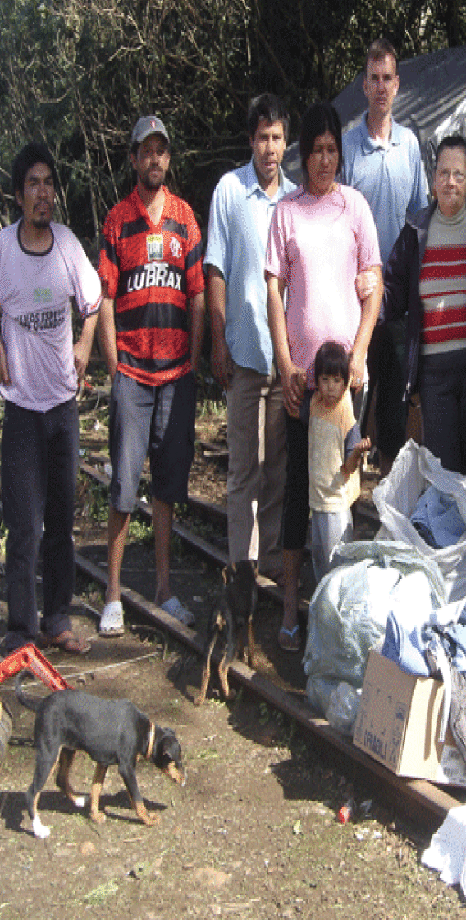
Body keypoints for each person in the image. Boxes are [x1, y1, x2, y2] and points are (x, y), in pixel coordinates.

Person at [0, 142, 101, 655]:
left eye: (48, 183)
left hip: (62, 407)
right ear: (19, 196)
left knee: (61, 522)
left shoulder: (67, 246)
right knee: (24, 527)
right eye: (33, 185)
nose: (43, 194)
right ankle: (21, 632)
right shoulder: (1, 251)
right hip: (21, 408)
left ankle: (57, 621)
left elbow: (93, 299)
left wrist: (85, 344)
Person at [266, 102, 382, 652]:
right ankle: (293, 606)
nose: (324, 160)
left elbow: (373, 286)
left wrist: (359, 352)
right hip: (304, 385)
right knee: (299, 492)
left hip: (347, 385)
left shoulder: (355, 207)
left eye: (332, 150)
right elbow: (274, 291)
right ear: (303, 154)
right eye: (315, 150)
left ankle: (342, 612)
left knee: (346, 488)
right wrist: (285, 363)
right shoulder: (286, 212)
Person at [97, 115, 205, 635]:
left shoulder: (185, 217)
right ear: (134, 159)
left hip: (176, 372)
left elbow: (198, 294)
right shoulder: (118, 220)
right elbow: (105, 297)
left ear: (168, 158)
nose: (155, 159)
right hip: (133, 373)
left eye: (162, 150)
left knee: (166, 485)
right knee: (123, 484)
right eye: (147, 151)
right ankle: (113, 595)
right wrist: (113, 366)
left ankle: (164, 589)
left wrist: (195, 362)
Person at [205, 94, 295, 582]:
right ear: (250, 141)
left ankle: (274, 559)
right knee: (244, 467)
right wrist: (217, 340)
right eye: (262, 138)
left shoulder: (296, 200)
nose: (270, 148)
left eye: (277, 138)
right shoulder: (229, 191)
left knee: (277, 465)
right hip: (242, 351)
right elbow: (215, 269)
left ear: (286, 142)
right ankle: (242, 564)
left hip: (284, 356)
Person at [382, 134, 466, 510]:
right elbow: (392, 290)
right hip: (434, 374)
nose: (450, 182)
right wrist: (364, 295)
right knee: (444, 474)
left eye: (458, 174)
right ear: (432, 180)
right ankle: (450, 545)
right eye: (443, 173)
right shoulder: (417, 231)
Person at [342, 37, 429, 475]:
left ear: (397, 85)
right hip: (355, 298)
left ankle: (388, 498)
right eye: (373, 78)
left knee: (394, 406)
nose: (380, 87)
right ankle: (346, 494)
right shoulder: (346, 146)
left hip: (396, 299)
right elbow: (335, 220)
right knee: (354, 402)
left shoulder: (410, 145)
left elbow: (421, 220)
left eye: (387, 78)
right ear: (364, 85)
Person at [307, 341, 372, 581]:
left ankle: (339, 602)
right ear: (317, 381)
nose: (330, 387)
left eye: (336, 381)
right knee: (320, 559)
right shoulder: (315, 403)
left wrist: (358, 452)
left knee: (338, 566)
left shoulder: (346, 415)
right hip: (317, 499)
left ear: (345, 383)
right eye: (325, 380)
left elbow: (349, 467)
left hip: (336, 502)